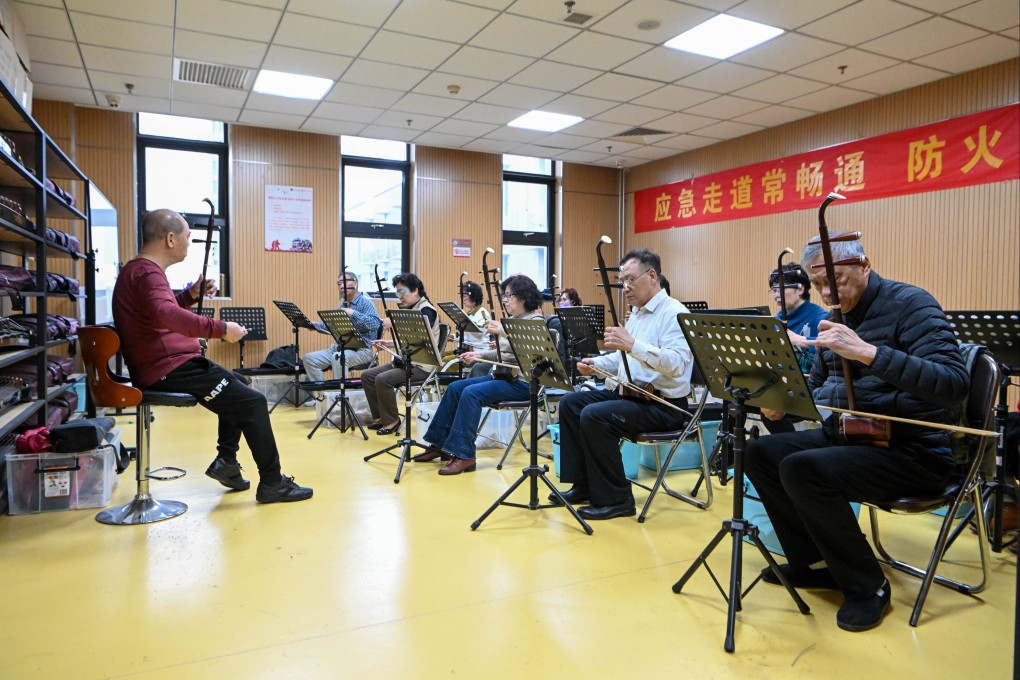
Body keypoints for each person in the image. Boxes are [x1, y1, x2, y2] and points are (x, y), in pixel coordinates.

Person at [744, 239, 968, 632]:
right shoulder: (835, 316)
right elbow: (819, 387)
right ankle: (816, 563)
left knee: (803, 469)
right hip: (852, 437)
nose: (829, 293)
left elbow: (953, 384)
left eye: (838, 280)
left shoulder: (912, 304)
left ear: (865, 265)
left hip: (914, 449)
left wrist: (869, 353)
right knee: (761, 453)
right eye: (819, 286)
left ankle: (869, 587)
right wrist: (786, 403)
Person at [111, 209, 312, 503]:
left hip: (164, 365)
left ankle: (226, 462)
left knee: (239, 381)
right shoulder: (147, 272)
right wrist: (220, 329)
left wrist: (190, 295)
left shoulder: (139, 271)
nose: (189, 243)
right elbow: (166, 314)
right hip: (169, 368)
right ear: (170, 238)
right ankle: (272, 483)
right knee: (254, 402)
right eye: (187, 237)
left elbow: (156, 313)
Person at [552, 249, 693, 520]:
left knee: (595, 416)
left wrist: (633, 344)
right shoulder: (638, 314)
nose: (624, 287)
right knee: (571, 403)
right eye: (622, 281)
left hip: (665, 406)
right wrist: (596, 364)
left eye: (630, 280)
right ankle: (584, 485)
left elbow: (678, 364)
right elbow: (622, 359)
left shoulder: (674, 313)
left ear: (652, 276)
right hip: (632, 398)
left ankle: (617, 499)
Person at [414, 275, 545, 475]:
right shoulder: (514, 321)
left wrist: (503, 331)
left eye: (510, 295)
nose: (505, 300)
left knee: (471, 393)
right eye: (505, 295)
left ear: (524, 297)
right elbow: (504, 353)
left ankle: (465, 454)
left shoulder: (536, 321)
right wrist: (479, 355)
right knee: (455, 388)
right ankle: (440, 444)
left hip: (524, 383)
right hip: (503, 377)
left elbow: (525, 354)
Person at [361, 273, 439, 435]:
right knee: (368, 375)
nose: (399, 297)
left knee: (383, 379)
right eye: (397, 293)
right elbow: (409, 341)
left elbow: (419, 334)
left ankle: (392, 421)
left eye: (402, 292)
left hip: (423, 365)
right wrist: (388, 343)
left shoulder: (427, 310)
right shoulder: (411, 309)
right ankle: (381, 417)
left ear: (415, 290)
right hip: (407, 362)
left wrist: (395, 322)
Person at [761, 262, 828, 434]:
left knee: (772, 408)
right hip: (781, 382)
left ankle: (789, 447)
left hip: (807, 384)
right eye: (773, 290)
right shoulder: (777, 319)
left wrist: (800, 340)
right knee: (735, 399)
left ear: (800, 289)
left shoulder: (819, 317)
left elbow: (829, 350)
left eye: (781, 289)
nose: (776, 294)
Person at [302, 271, 380, 383]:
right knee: (309, 359)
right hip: (341, 348)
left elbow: (375, 323)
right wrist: (315, 326)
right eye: (339, 284)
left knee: (339, 357)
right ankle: (322, 396)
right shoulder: (342, 305)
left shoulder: (366, 303)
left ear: (355, 283)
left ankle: (341, 396)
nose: (341, 286)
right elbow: (332, 326)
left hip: (362, 350)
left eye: (345, 282)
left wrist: (353, 313)